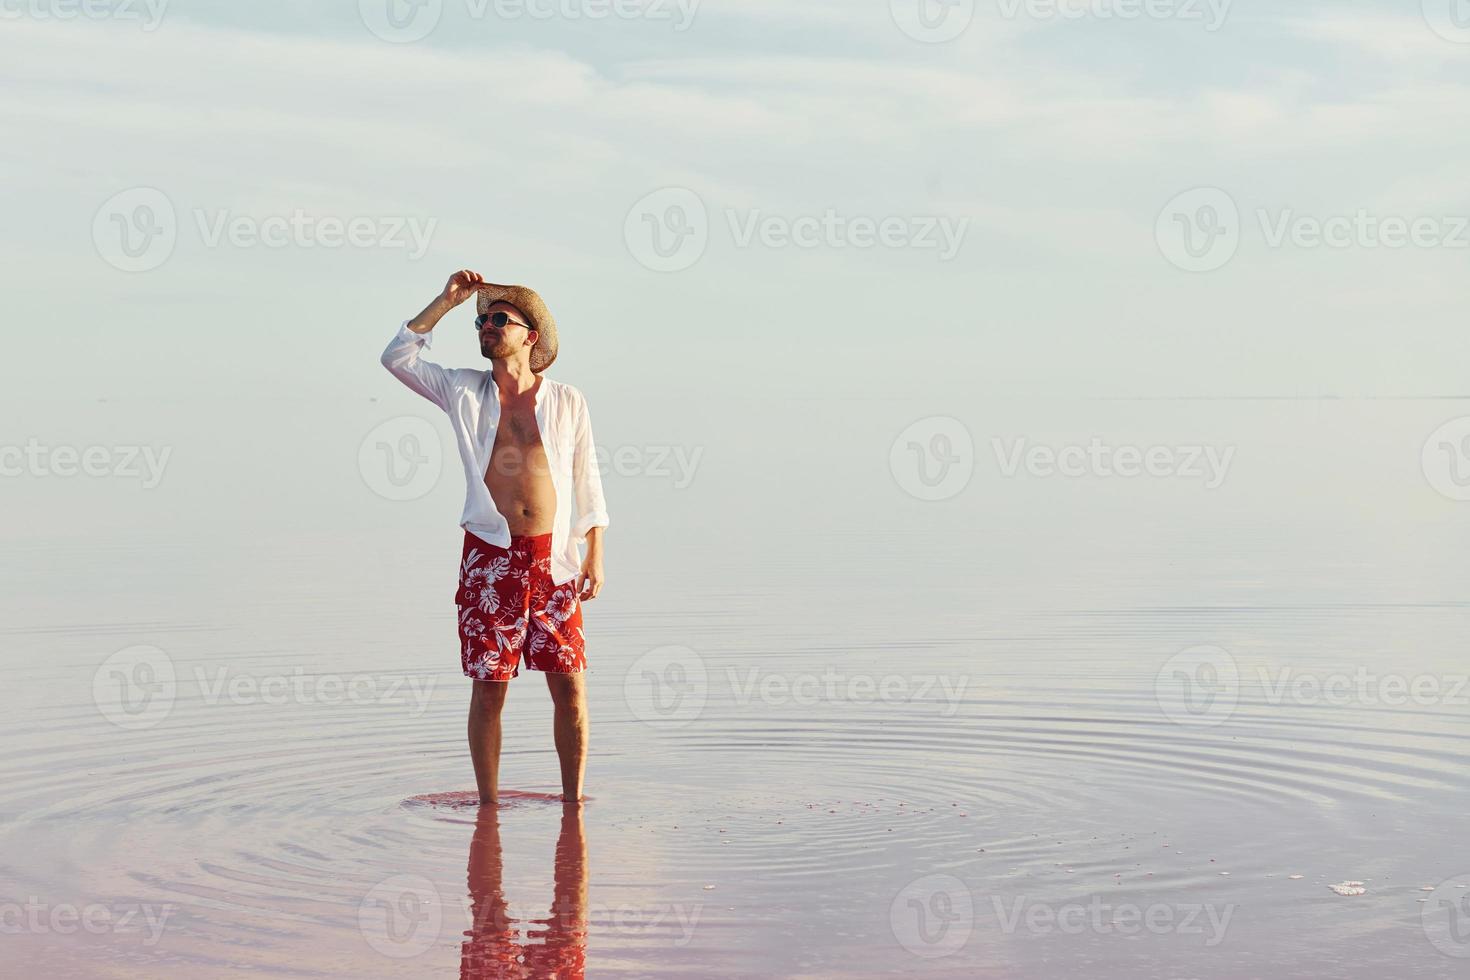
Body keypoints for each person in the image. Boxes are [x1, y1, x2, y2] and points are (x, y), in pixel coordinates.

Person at [381, 270, 609, 805]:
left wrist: (595, 552)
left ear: (530, 335)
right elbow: (398, 358)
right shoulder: (463, 389)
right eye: (481, 321)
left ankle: (573, 806)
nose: (485, 326)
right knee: (489, 689)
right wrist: (447, 301)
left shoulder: (567, 401)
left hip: (555, 561)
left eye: (498, 320)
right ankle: (488, 809)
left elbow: (587, 479)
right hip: (491, 557)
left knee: (570, 686)